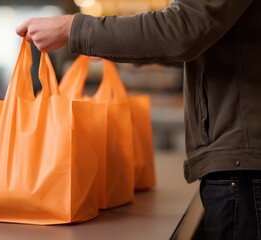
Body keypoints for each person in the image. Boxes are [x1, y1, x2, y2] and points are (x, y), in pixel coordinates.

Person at [16, 1, 261, 239]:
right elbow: (202, 39)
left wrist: (73, 29)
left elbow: (184, 29)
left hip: (243, 164)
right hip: (241, 158)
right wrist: (108, 42)